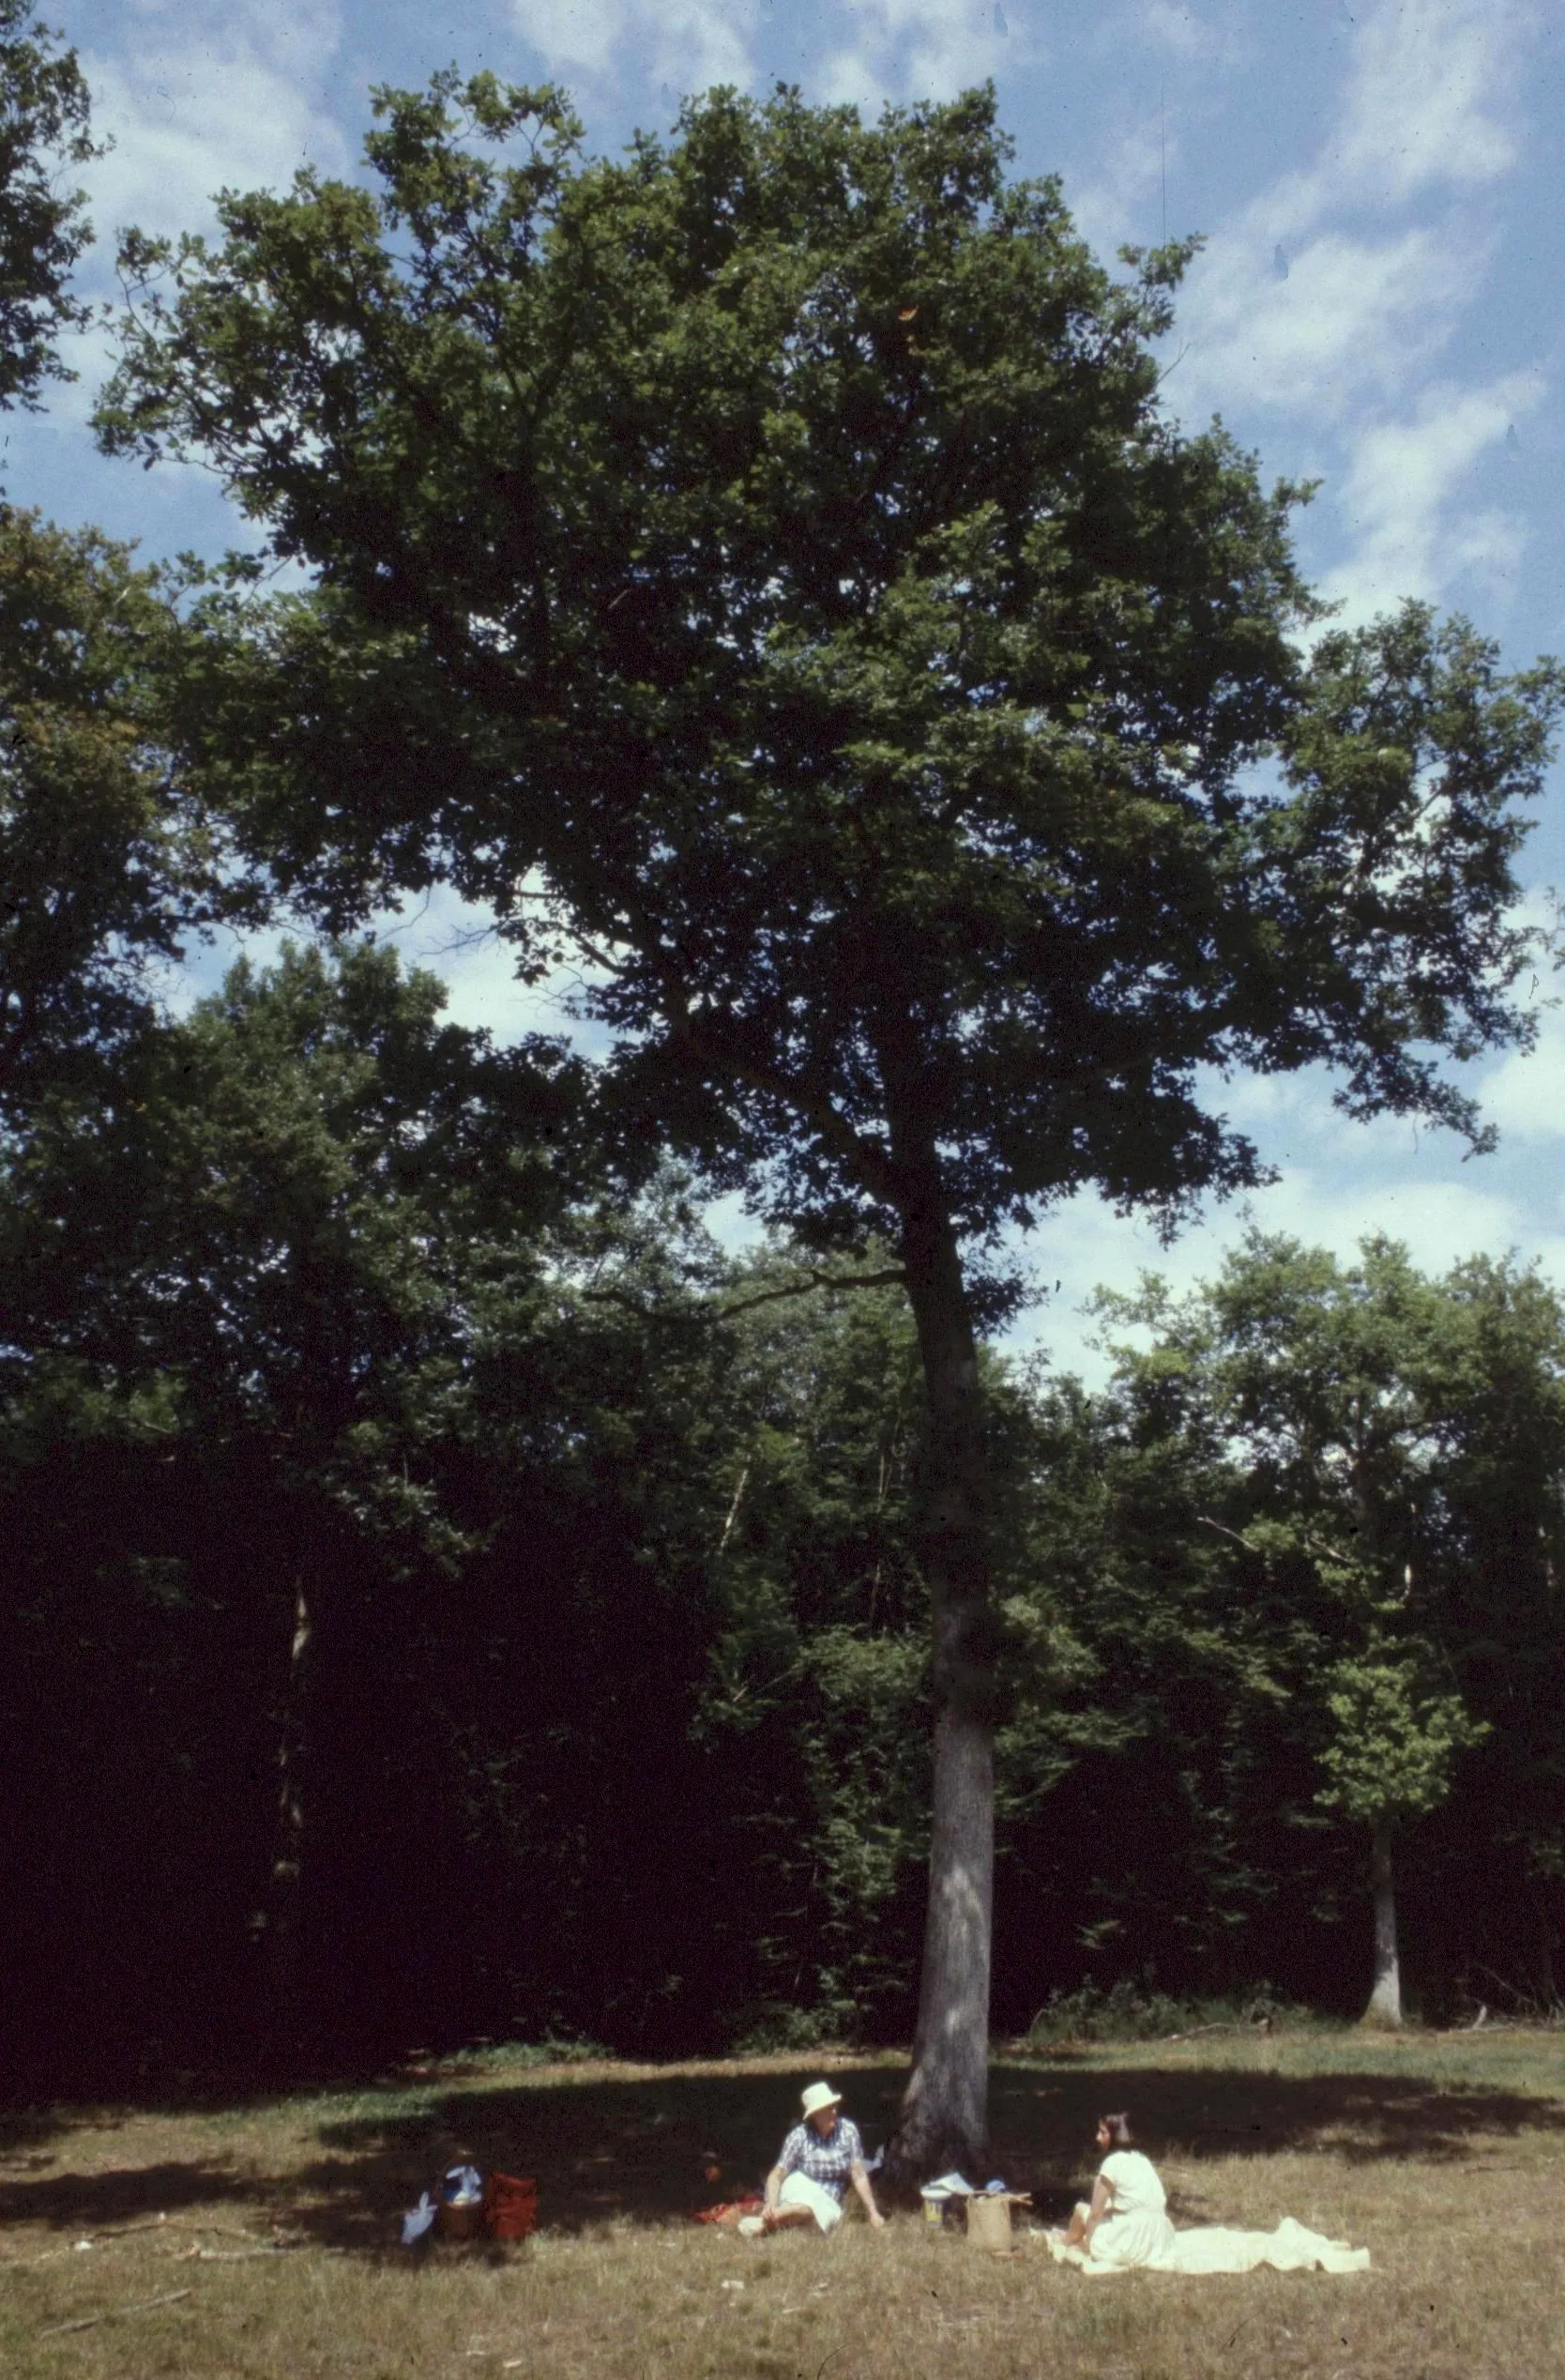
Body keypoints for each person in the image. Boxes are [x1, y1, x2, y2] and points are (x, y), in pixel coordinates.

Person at [737, 2082, 887, 2236]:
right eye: (829, 2108)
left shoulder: (848, 2131)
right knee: (803, 2208)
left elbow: (859, 2174)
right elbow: (777, 2174)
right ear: (815, 2114)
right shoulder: (799, 2136)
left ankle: (764, 2225)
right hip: (801, 2185)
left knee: (812, 2212)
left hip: (829, 2193)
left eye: (835, 2106)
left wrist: (873, 2213)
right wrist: (771, 2203)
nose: (835, 2112)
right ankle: (774, 2216)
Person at [1049, 2113, 1176, 2269]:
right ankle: (1072, 2238)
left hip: (1133, 2242)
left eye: (1103, 2133)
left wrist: (1091, 2243)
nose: (1097, 2137)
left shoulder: (1111, 2163)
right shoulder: (1143, 2160)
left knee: (1081, 2209)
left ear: (1115, 2136)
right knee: (1108, 2209)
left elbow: (1095, 2214)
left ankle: (1066, 2240)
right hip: (1159, 2240)